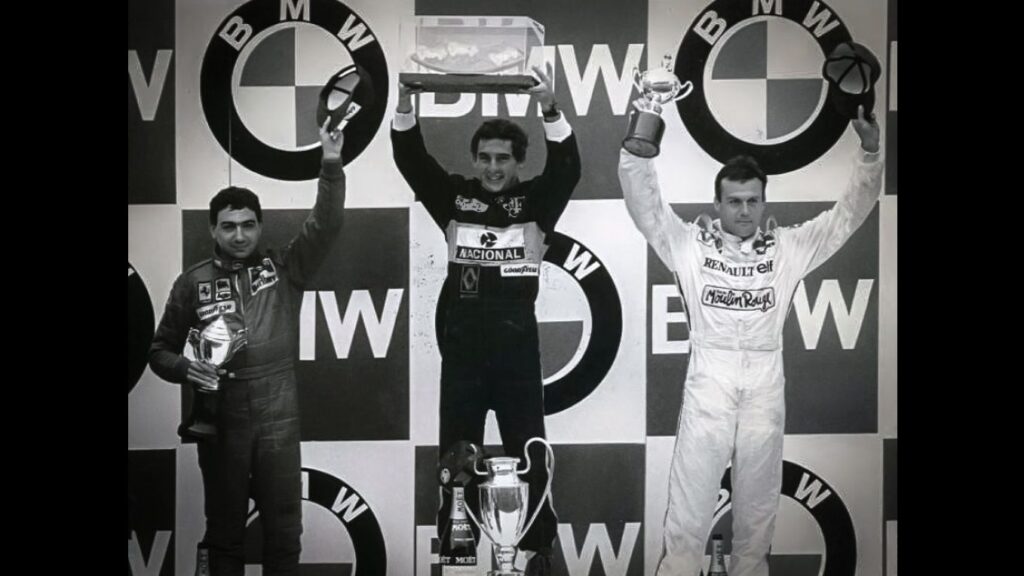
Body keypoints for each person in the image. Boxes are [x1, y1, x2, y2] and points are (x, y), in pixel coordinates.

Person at [618, 102, 882, 576]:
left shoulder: (789, 247)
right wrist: (641, 140)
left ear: (763, 204)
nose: (744, 210)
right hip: (710, 381)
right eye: (734, 201)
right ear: (718, 204)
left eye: (752, 201)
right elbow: (646, 206)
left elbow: (846, 216)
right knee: (688, 516)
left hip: (765, 384)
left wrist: (869, 152)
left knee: (757, 518)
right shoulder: (688, 244)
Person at [391, 65, 580, 574]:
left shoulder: (537, 202)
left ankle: (537, 551)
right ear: (474, 160)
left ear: (519, 162)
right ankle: (458, 551)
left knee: (530, 452)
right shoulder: (455, 199)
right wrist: (405, 104)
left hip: (517, 350)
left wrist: (550, 108)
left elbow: (568, 168)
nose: (493, 167)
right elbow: (412, 161)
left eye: (503, 158)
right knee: (457, 454)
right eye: (485, 158)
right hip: (464, 353)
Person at [148, 120, 347, 575]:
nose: (239, 235)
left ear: (260, 227)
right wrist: (187, 369)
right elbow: (158, 352)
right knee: (224, 532)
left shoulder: (284, 268)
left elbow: (327, 223)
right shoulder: (192, 282)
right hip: (221, 416)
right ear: (213, 230)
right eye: (229, 227)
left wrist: (331, 163)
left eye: (248, 225)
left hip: (279, 410)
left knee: (284, 530)